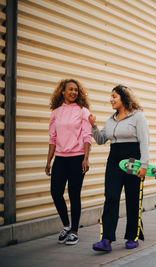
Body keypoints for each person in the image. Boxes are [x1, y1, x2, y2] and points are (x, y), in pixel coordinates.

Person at [90, 85, 149, 252]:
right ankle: (106, 239)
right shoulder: (110, 119)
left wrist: (144, 165)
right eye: (111, 96)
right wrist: (93, 126)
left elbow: (145, 142)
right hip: (114, 161)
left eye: (114, 96)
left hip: (133, 160)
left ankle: (132, 236)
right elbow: (101, 140)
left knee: (132, 198)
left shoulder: (138, 117)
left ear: (124, 98)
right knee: (111, 197)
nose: (111, 99)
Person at [45, 79, 92, 245]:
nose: (74, 92)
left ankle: (74, 231)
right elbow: (53, 138)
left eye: (76, 90)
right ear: (62, 92)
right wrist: (49, 160)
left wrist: (86, 158)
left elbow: (87, 136)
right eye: (70, 89)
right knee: (56, 192)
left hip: (77, 158)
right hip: (60, 158)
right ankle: (66, 225)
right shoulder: (56, 112)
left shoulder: (82, 111)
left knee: (74, 194)